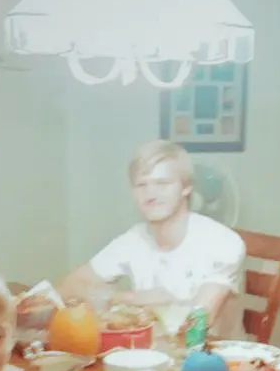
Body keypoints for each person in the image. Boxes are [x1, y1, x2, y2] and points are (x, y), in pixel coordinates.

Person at [57, 139, 245, 338]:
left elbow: (194, 328)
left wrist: (121, 301)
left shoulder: (224, 244)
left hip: (213, 361)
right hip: (150, 355)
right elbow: (67, 288)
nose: (151, 194)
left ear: (186, 187)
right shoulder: (133, 240)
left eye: (162, 184)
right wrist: (133, 298)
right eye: (141, 185)